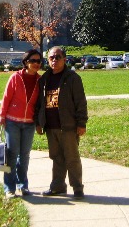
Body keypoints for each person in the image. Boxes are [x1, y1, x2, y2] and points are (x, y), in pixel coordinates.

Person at [35, 46, 88, 199]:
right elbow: (39, 104)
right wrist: (39, 123)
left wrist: (81, 123)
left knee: (72, 158)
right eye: (51, 57)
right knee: (56, 158)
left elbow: (80, 102)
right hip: (51, 127)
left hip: (68, 126)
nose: (54, 60)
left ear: (64, 59)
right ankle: (57, 187)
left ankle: (77, 188)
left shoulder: (72, 78)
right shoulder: (44, 79)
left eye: (58, 57)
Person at [0, 48, 42, 198]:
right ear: (25, 62)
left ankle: (23, 185)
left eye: (38, 61)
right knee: (11, 154)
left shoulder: (39, 80)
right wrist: (2, 115)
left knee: (24, 155)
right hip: (13, 121)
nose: (36, 64)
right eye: (32, 61)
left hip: (29, 122)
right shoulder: (15, 78)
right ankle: (9, 188)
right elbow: (6, 97)